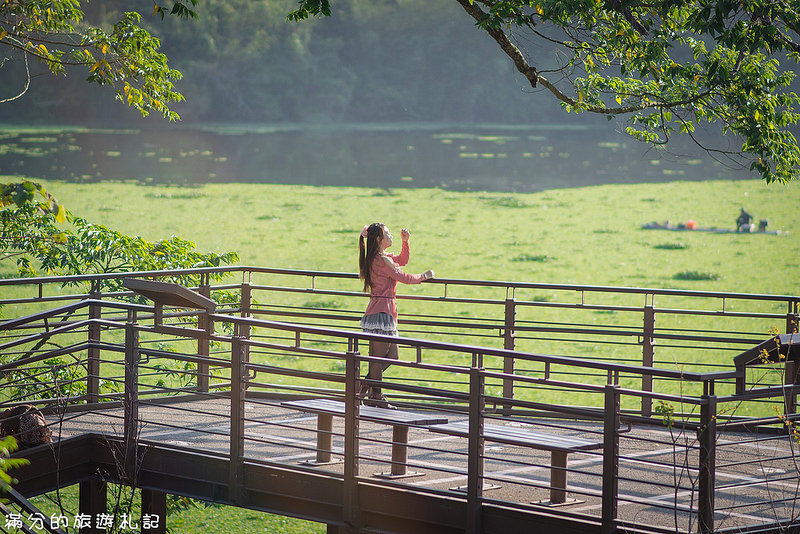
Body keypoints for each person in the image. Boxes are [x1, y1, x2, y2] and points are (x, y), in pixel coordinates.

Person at [358, 223, 434, 408]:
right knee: (380, 358)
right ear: (379, 239)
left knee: (390, 356)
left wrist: (405, 242)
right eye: (388, 234)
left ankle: (363, 389)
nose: (391, 236)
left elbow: (402, 260)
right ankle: (375, 396)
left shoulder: (379, 258)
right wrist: (424, 276)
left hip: (384, 311)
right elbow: (404, 277)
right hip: (381, 312)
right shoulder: (382, 261)